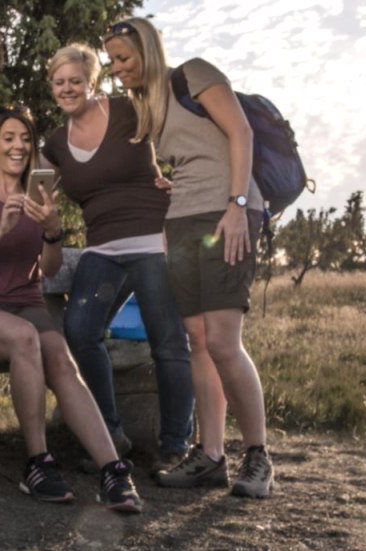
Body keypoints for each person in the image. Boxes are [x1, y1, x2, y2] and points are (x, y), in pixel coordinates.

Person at [0, 103, 143, 513]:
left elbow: (48, 270)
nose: (18, 146)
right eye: (8, 138)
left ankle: (113, 471)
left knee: (61, 359)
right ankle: (37, 462)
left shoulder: (42, 197)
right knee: (24, 338)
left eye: (26, 139)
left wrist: (52, 231)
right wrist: (1, 231)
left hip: (25, 301)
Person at [102, 17, 275, 498]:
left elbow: (240, 133)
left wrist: (238, 207)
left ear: (149, 49)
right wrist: (170, 185)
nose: (118, 69)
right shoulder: (150, 105)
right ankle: (211, 456)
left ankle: (258, 456)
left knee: (222, 340)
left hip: (229, 213)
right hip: (182, 220)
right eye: (112, 62)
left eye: (124, 58)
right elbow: (196, 155)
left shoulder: (193, 74)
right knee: (197, 339)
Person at [38, 44, 194, 475]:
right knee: (80, 329)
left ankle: (176, 445)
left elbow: (184, 134)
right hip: (102, 248)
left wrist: (182, 182)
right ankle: (110, 435)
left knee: (168, 341)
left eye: (76, 81)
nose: (67, 89)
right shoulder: (53, 145)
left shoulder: (129, 109)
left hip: (152, 239)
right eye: (59, 82)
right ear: (52, 86)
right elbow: (22, 182)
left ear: (92, 82)